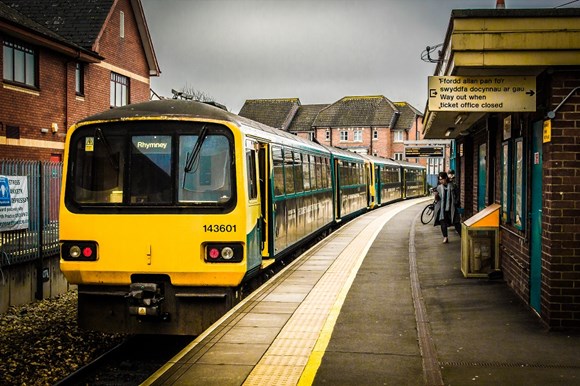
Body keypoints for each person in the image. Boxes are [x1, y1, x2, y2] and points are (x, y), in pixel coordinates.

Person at [434, 171, 461, 243]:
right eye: (439, 180)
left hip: (451, 207)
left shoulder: (453, 186)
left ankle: (463, 236)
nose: (441, 181)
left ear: (446, 178)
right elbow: (437, 199)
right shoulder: (439, 187)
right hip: (442, 208)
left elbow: (457, 195)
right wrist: (436, 196)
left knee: (456, 222)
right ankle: (445, 237)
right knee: (443, 222)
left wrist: (456, 202)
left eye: (442, 179)